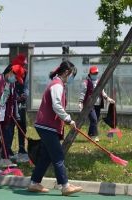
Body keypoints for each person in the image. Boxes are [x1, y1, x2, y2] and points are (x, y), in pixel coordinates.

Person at [27, 60, 83, 196]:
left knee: (46, 156)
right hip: (47, 126)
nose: (72, 78)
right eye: (72, 75)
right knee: (58, 155)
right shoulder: (57, 85)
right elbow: (56, 105)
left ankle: (34, 183)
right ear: (66, 73)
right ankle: (64, 185)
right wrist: (68, 119)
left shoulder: (57, 84)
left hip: (46, 126)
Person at [78, 65, 115, 142]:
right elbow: (82, 93)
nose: (95, 75)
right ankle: (94, 136)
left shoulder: (99, 81)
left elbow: (102, 92)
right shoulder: (85, 82)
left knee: (95, 120)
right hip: (89, 105)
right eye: (93, 73)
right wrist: (80, 103)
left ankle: (90, 135)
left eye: (96, 73)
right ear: (90, 73)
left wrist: (108, 99)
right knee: (94, 119)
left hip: (98, 104)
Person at [6, 54, 29, 162]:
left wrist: (25, 94)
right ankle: (7, 149)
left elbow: (26, 86)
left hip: (21, 103)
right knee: (10, 126)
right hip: (11, 101)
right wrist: (14, 96)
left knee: (22, 125)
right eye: (22, 64)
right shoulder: (10, 70)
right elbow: (6, 83)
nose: (24, 66)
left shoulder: (26, 72)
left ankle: (21, 147)